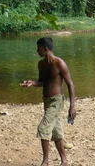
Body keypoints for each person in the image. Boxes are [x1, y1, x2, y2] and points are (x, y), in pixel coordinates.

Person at [20, 37, 76, 166]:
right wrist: (32, 83)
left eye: (38, 49)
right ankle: (65, 161)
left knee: (43, 128)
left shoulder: (59, 63)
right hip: (46, 101)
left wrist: (72, 106)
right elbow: (42, 82)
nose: (37, 51)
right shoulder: (41, 64)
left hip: (57, 100)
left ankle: (45, 162)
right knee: (56, 132)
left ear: (45, 49)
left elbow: (70, 84)